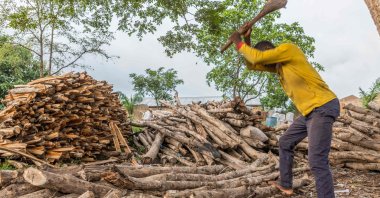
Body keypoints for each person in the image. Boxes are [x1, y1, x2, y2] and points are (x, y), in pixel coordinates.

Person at [228, 28, 340, 198]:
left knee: (317, 160)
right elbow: (252, 64)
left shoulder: (288, 49)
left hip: (322, 106)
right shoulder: (279, 68)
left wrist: (237, 41)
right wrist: (247, 38)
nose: (264, 67)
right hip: (309, 112)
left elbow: (256, 58)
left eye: (265, 58)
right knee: (285, 142)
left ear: (268, 52)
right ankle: (286, 185)